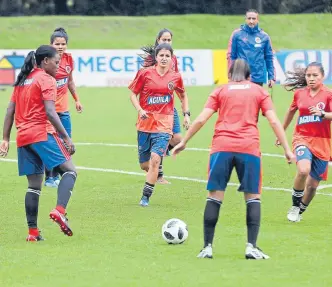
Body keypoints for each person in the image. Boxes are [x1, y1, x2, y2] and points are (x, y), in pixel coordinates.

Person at [172, 59, 295, 259]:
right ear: (249, 76)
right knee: (253, 197)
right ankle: (251, 247)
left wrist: (184, 141)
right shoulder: (259, 91)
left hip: (221, 147)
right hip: (249, 148)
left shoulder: (220, 91)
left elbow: (202, 118)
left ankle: (207, 248)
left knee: (214, 197)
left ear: (229, 75)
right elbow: (273, 120)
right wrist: (287, 150)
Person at [0, 45, 77, 241]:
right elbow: (51, 112)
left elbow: (9, 111)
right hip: (42, 134)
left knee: (34, 186)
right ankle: (60, 210)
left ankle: (33, 233)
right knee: (69, 171)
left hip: (23, 138)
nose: (59, 66)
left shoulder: (22, 80)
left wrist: (6, 138)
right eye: (56, 62)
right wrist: (66, 137)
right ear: (45, 61)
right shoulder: (46, 79)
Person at [129, 43, 189, 207]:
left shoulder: (175, 77)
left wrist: (186, 115)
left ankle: (145, 197)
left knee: (155, 160)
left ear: (171, 58)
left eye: (167, 56)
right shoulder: (144, 74)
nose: (164, 58)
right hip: (145, 123)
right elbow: (133, 94)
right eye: (161, 55)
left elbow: (183, 95)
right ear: (156, 57)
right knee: (145, 165)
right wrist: (140, 109)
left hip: (165, 123)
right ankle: (155, 165)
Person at [277, 62, 332, 222]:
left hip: (322, 142)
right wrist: (281, 132)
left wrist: (323, 113)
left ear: (323, 77)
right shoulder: (300, 94)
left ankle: (300, 210)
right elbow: (291, 112)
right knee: (303, 170)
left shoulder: (328, 95)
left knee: (313, 186)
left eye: (315, 75)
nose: (311, 78)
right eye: (308, 75)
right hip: (302, 138)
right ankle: (294, 206)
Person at [143, 28, 190, 184]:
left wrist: (186, 112)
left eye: (169, 40)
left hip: (169, 107)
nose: (166, 42)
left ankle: (155, 160)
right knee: (160, 141)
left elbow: (177, 85)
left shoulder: (173, 59)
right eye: (164, 39)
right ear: (158, 40)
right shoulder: (150, 61)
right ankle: (158, 174)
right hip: (153, 109)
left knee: (177, 139)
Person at [44, 27, 83, 188]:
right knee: (50, 143)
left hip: (63, 109)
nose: (60, 46)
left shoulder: (69, 60)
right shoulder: (45, 61)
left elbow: (70, 81)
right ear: (51, 44)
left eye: (63, 44)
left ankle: (60, 173)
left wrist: (77, 99)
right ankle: (49, 178)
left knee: (66, 142)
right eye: (57, 43)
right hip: (48, 110)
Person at [227, 9, 275, 87]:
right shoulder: (237, 35)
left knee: (256, 99)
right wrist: (230, 74)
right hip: (241, 76)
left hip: (258, 77)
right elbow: (232, 56)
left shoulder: (264, 37)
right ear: (245, 19)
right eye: (249, 18)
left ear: (258, 20)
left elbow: (269, 58)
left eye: (254, 19)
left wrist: (271, 77)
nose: (251, 21)